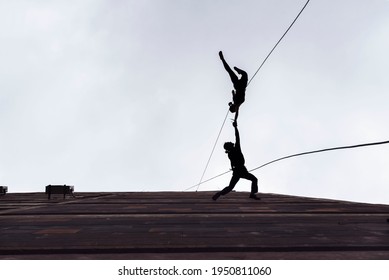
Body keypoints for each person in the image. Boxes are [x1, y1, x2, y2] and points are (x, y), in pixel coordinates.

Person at [212, 121, 260, 201]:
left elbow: (233, 163)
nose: (232, 142)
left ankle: (220, 193)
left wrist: (234, 168)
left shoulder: (230, 154)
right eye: (230, 143)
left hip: (237, 171)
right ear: (230, 146)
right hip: (241, 170)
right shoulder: (236, 149)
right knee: (254, 179)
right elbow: (237, 137)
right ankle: (253, 194)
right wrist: (235, 127)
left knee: (230, 187)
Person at [219, 51, 248, 121]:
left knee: (230, 71)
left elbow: (233, 93)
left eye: (233, 107)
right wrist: (235, 120)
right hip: (241, 85)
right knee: (244, 74)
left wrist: (230, 104)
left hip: (238, 85)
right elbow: (237, 113)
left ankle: (222, 59)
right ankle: (239, 71)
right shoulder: (237, 104)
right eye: (234, 108)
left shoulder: (235, 101)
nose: (235, 107)